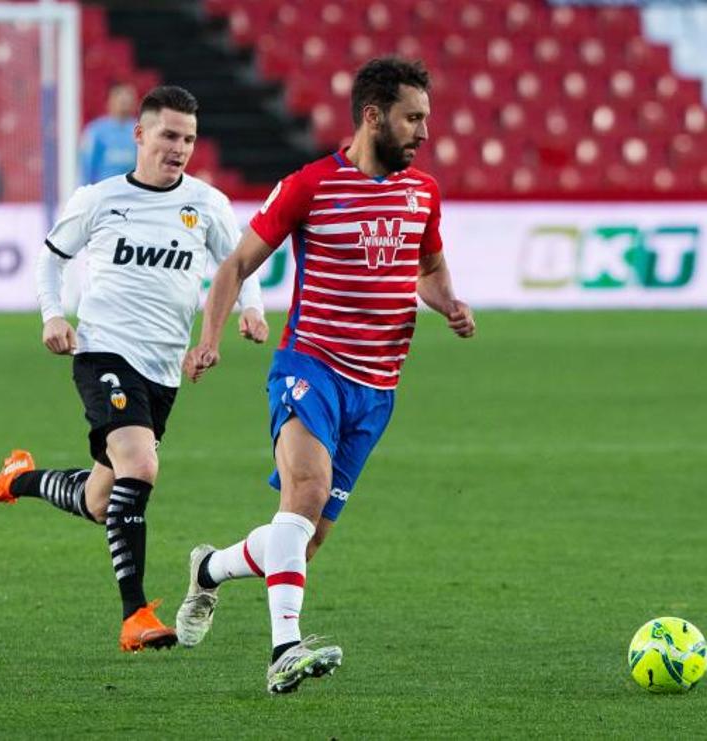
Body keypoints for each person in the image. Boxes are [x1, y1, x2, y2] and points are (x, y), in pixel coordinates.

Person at [174, 57, 476, 693]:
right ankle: (285, 649)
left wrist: (448, 302)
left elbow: (428, 268)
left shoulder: (423, 192)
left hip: (377, 390)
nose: (424, 133)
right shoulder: (309, 186)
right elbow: (233, 267)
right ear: (373, 117)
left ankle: (210, 570)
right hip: (311, 365)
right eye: (412, 118)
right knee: (305, 491)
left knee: (301, 544)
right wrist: (210, 339)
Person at [0, 85, 269, 652]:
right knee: (141, 465)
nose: (179, 148)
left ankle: (17, 480)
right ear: (140, 134)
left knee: (103, 500)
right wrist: (53, 316)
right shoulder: (98, 199)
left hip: (163, 371)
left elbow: (240, 264)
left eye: (189, 139)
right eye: (169, 136)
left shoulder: (206, 205)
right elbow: (50, 258)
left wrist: (251, 309)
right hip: (103, 351)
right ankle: (136, 615)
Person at [79, 82, 138, 185]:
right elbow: (86, 165)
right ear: (110, 101)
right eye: (121, 100)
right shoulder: (97, 131)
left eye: (128, 100)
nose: (124, 104)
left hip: (132, 191)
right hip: (104, 190)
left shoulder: (139, 130)